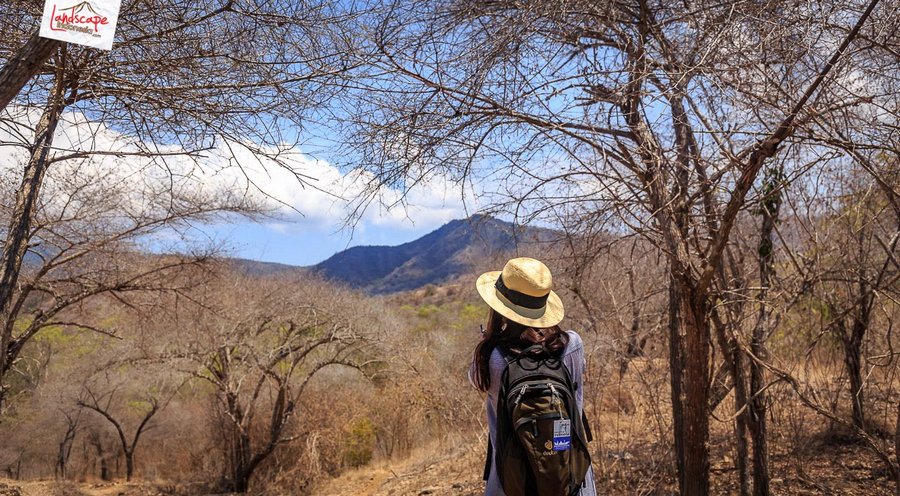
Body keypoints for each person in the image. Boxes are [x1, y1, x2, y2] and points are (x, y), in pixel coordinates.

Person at [469, 257, 597, 496]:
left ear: (499, 307)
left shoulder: (492, 357)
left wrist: (489, 339)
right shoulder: (573, 345)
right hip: (572, 482)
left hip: (509, 485)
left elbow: (476, 380)